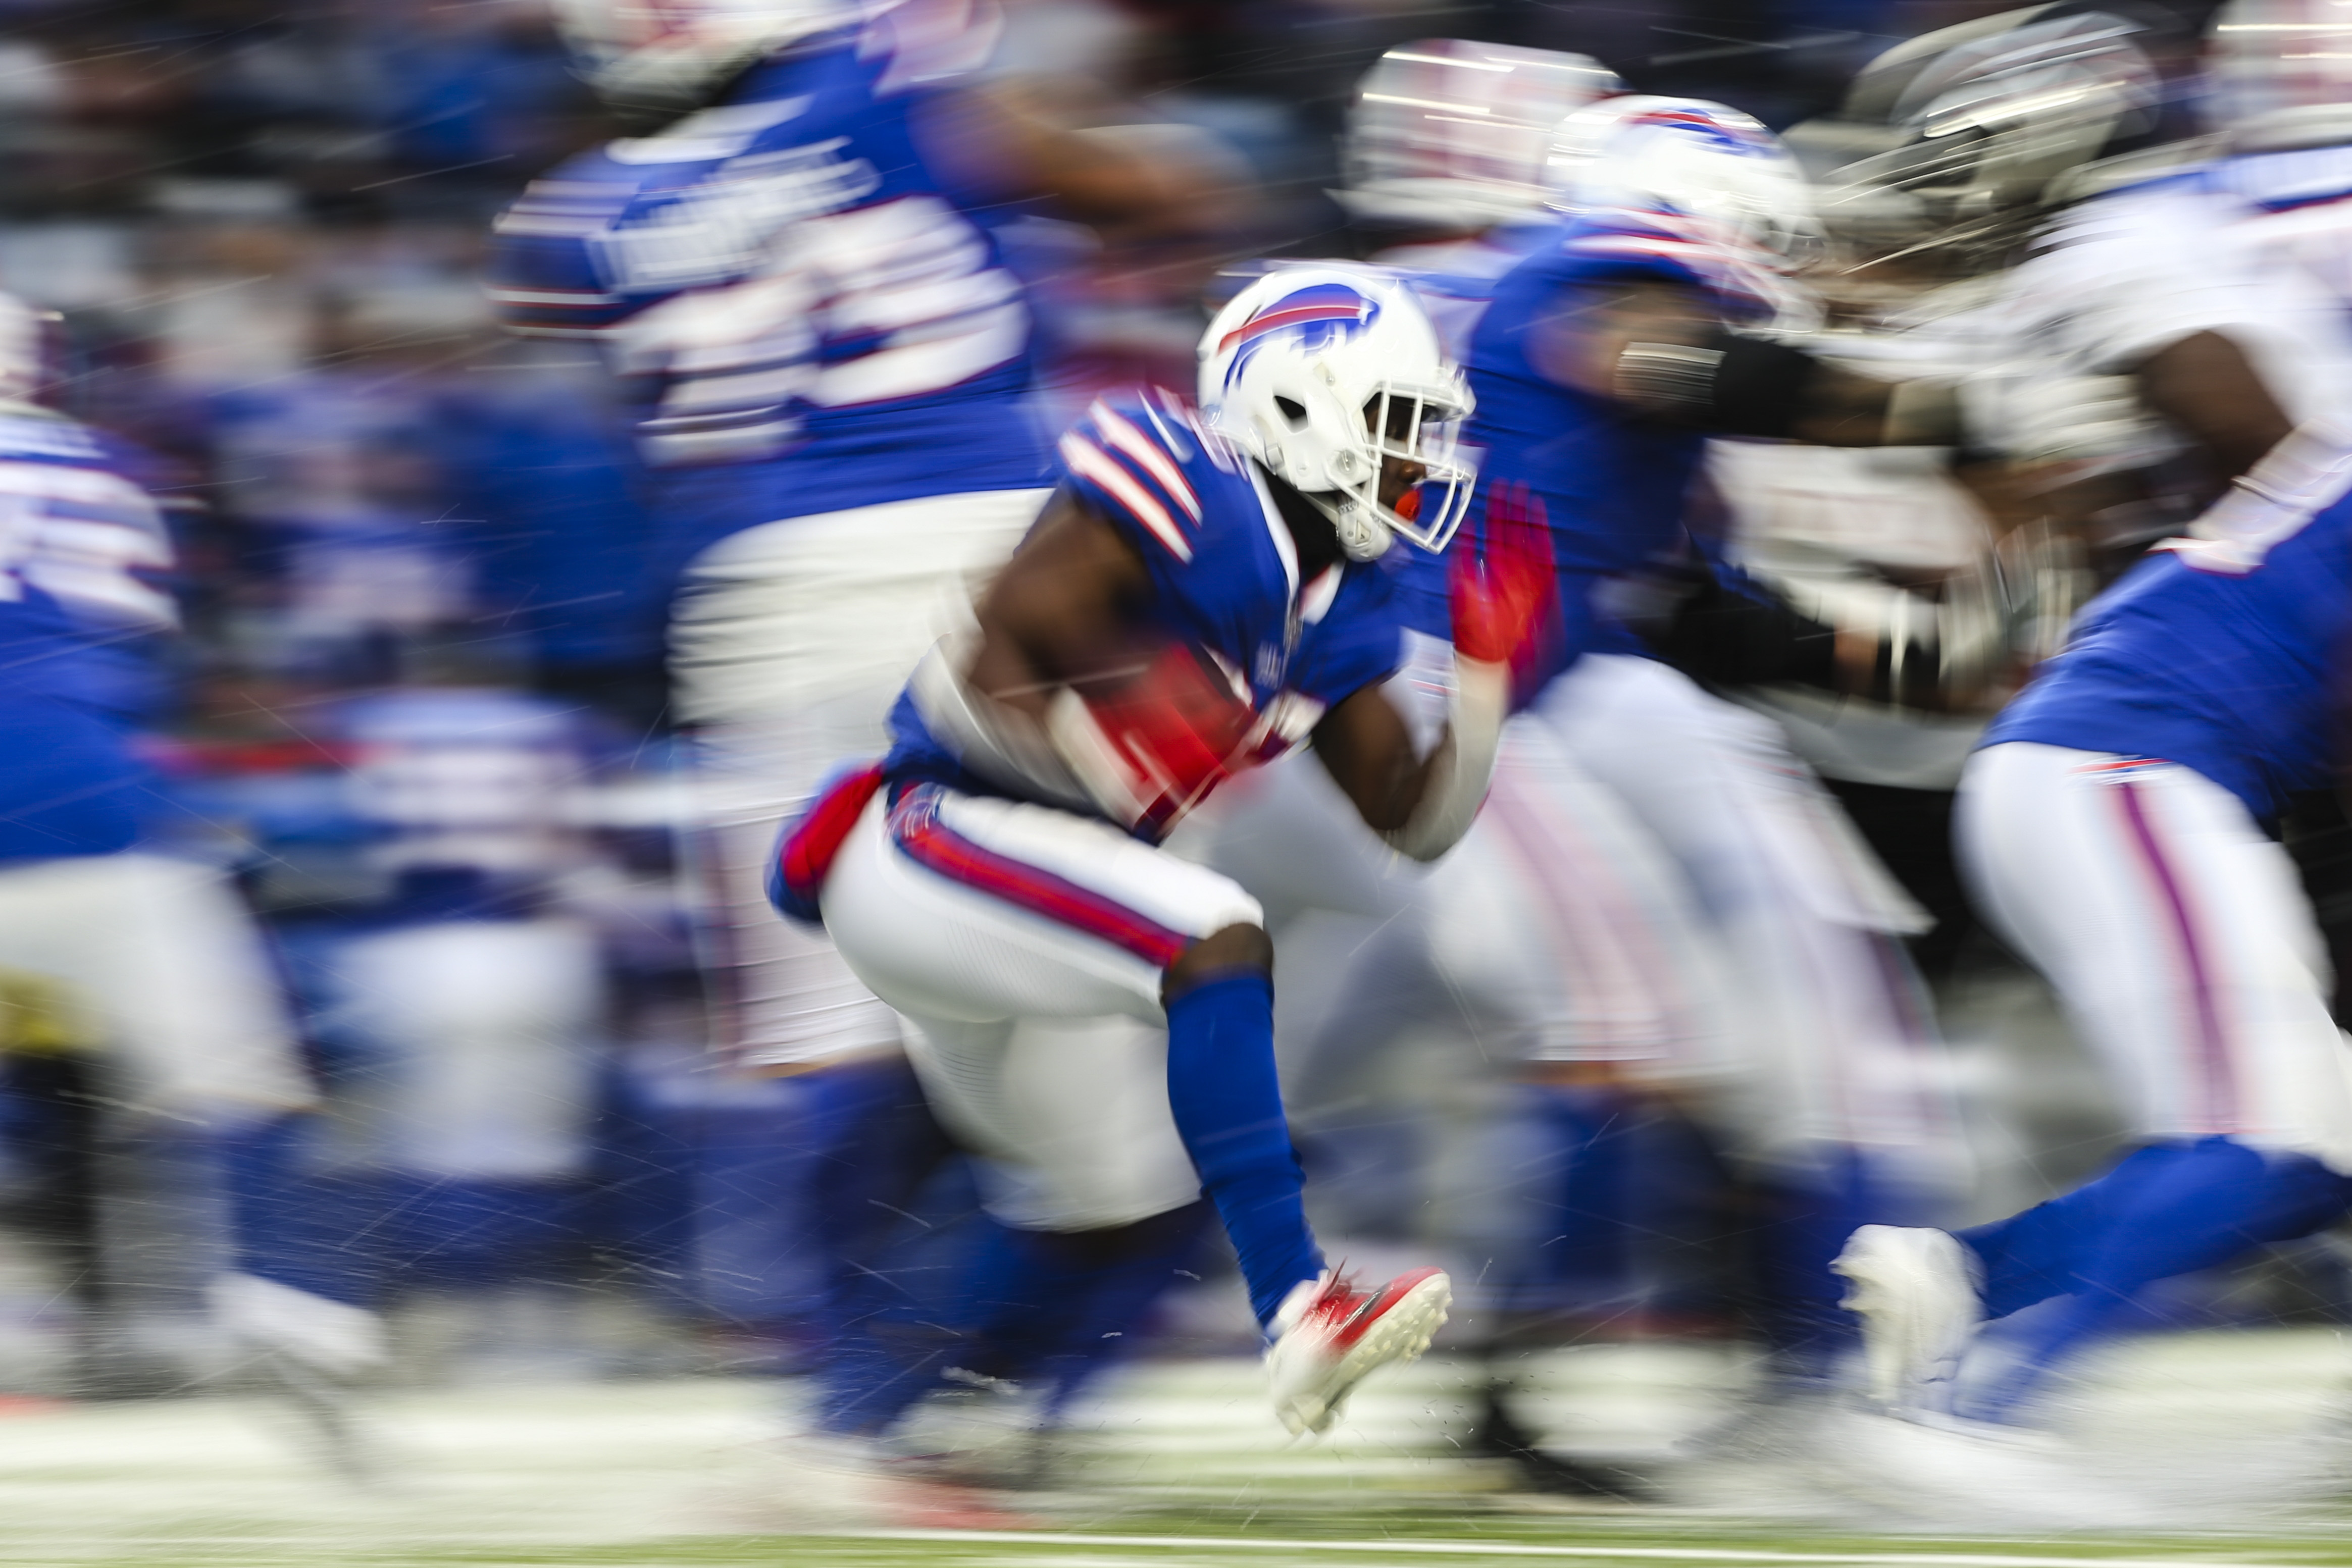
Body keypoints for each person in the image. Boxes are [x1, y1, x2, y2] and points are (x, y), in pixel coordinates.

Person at [488, 0, 1229, 1381]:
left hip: (758, 598)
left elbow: (581, 300)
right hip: (1002, 575)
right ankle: (1026, 1354)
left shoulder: (566, 218)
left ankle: (840, 1379)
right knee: (1110, 971)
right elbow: (1154, 186)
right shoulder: (876, 81)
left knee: (826, 1025)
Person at [776, 266, 1555, 1438]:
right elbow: (1011, 634)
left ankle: (904, 1432)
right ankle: (1300, 1303)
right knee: (1212, 932)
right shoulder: (1191, 471)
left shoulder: (1342, 597)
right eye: (1398, 423)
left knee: (1112, 1192)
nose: (1423, 460)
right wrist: (1140, 696)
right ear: (1291, 404)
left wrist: (1486, 683)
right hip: (928, 838)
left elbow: (1410, 822)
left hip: (1020, 903)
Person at [1451, 93, 1988, 1385]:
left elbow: (1693, 609)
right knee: (1769, 1023)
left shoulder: (1587, 367)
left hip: (1545, 704)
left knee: (1725, 1037)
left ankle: (1672, 1371)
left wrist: (1917, 660)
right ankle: (1807, 1370)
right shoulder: (1591, 287)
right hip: (1477, 717)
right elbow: (1694, 368)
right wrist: (1950, 403)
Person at [1834, 422, 2352, 1428]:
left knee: (2322, 1149)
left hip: (2115, 778)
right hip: (2127, 773)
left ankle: (1965, 1274)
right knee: (2262, 1135)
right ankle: (1989, 1416)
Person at [0, 292, 383, 1448]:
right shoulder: (113, 467)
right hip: (100, 813)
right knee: (233, 1089)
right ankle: (264, 1290)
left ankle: (44, 1318)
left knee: (42, 1092)